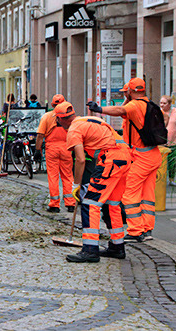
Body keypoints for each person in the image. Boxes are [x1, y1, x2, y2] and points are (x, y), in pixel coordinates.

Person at [54, 101, 131, 263]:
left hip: (111, 160)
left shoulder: (74, 130)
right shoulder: (88, 120)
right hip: (124, 157)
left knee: (90, 204)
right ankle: (117, 246)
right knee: (112, 204)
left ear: (61, 120)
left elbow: (80, 160)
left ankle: (90, 250)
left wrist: (76, 184)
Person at [88, 77, 161, 242]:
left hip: (141, 155)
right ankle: (147, 228)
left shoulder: (134, 106)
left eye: (126, 92)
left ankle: (135, 231)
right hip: (153, 154)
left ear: (131, 90)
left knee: (129, 193)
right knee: (147, 194)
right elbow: (125, 110)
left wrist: (99, 109)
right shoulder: (147, 104)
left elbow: (120, 111)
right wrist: (128, 97)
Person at [36, 94, 75, 213]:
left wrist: (38, 150)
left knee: (53, 176)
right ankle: (70, 203)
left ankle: (54, 204)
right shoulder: (70, 117)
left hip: (51, 148)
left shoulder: (47, 117)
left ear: (52, 105)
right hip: (67, 147)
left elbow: (40, 135)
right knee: (67, 176)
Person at [160, 95, 176, 186]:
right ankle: (161, 179)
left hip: (174, 140)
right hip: (161, 142)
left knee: (172, 161)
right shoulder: (158, 112)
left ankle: (171, 179)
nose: (162, 105)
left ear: (169, 104)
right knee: (161, 161)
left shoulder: (175, 112)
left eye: (164, 103)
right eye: (161, 103)